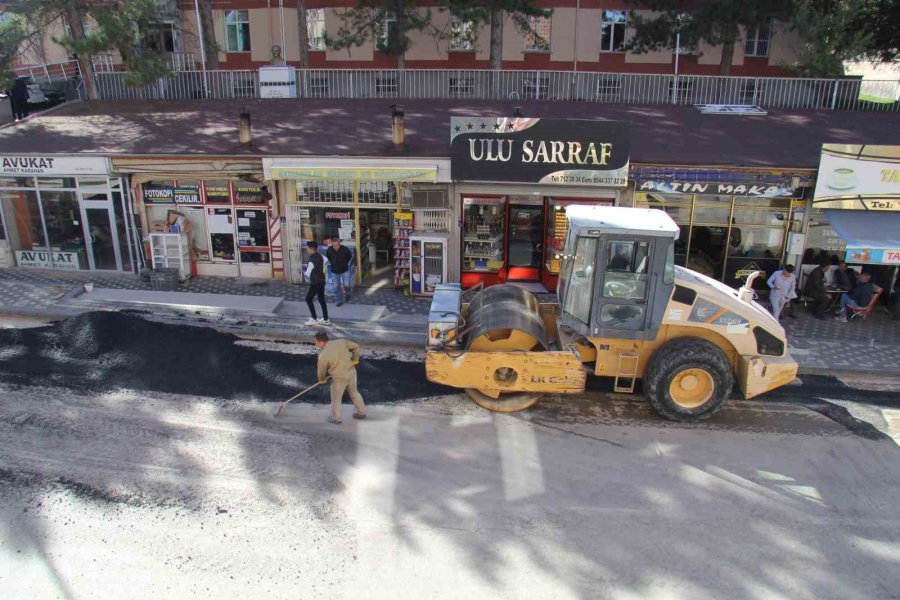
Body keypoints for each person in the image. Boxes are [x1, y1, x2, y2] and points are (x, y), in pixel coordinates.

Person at [315, 331, 366, 424]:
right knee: (354, 392)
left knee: (336, 399)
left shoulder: (323, 356)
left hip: (339, 378)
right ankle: (362, 412)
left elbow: (321, 371)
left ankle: (336, 418)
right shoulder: (341, 342)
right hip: (351, 373)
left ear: (321, 342)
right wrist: (355, 359)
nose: (316, 344)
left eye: (316, 342)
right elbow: (356, 346)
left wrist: (322, 379)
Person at [304, 241, 330, 326]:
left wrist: (303, 272)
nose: (307, 250)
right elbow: (326, 262)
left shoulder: (311, 260)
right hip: (322, 281)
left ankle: (314, 318)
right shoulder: (321, 256)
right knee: (321, 300)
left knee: (308, 299)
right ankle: (326, 319)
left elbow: (307, 273)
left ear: (311, 249)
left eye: (307, 248)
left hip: (315, 282)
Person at [325, 238, 353, 307]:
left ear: (339, 244)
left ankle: (348, 294)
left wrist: (344, 263)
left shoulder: (345, 249)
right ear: (332, 245)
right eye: (334, 245)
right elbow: (329, 258)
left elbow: (349, 256)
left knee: (346, 285)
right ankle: (340, 300)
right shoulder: (329, 250)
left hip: (344, 271)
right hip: (334, 271)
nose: (335, 247)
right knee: (336, 287)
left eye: (336, 245)